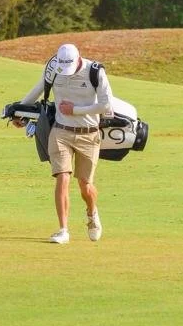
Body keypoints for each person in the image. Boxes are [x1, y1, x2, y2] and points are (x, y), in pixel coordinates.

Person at [13, 43, 112, 244]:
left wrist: (75, 110)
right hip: (60, 131)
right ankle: (63, 230)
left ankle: (92, 213)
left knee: (85, 186)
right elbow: (38, 89)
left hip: (89, 134)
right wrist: (19, 111)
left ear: (78, 59)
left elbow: (106, 105)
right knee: (62, 178)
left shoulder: (95, 71)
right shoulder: (54, 67)